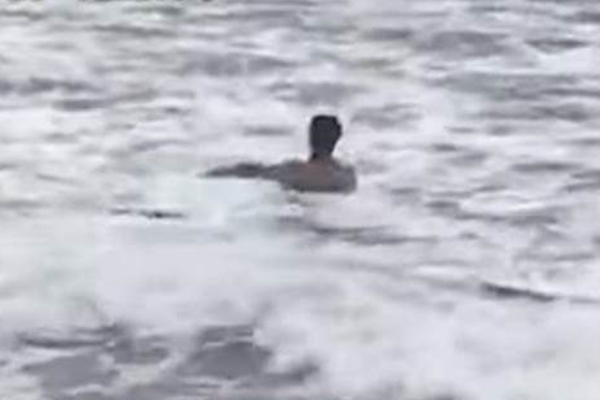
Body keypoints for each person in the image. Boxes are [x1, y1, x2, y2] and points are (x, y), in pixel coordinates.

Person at [205, 115, 357, 193]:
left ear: (310, 135)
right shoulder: (347, 176)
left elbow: (252, 171)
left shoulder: (294, 171)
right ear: (338, 137)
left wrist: (213, 173)